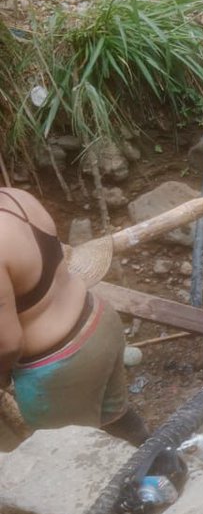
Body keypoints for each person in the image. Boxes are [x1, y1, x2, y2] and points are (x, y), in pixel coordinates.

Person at [0, 187, 150, 447]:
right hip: (98, 321)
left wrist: (2, 377)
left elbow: (8, 344)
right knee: (114, 419)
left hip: (58, 368)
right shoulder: (16, 198)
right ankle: (164, 461)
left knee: (66, 455)